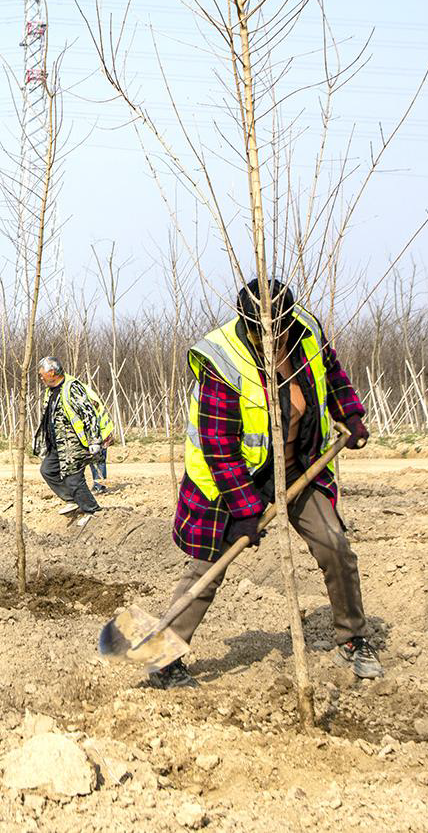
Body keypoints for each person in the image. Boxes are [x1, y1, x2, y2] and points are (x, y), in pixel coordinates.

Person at [149, 279, 378, 690]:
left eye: (277, 329)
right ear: (247, 323)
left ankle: (353, 636)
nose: (270, 338)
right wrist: (245, 509)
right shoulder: (224, 360)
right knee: (208, 567)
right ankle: (164, 658)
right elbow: (218, 445)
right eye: (260, 330)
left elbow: (333, 375)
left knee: (334, 545)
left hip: (298, 466)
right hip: (234, 479)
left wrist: (351, 414)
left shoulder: (306, 333)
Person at [33, 358, 114, 523]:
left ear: (52, 373)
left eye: (42, 375)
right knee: (47, 470)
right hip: (58, 445)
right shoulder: (51, 390)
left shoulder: (72, 388)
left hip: (74, 442)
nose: (41, 379)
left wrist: (94, 441)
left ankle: (92, 510)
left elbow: (88, 414)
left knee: (73, 478)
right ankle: (72, 499)